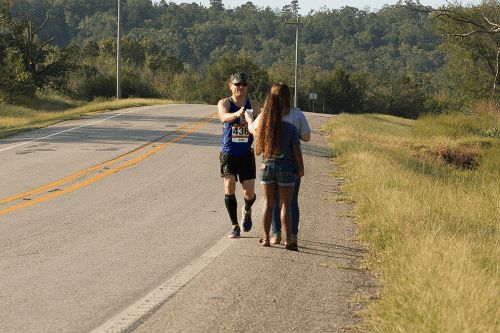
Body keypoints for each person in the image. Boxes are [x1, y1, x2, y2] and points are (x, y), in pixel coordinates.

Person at [246, 93, 304, 251]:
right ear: (281, 110)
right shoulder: (290, 128)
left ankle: (266, 238)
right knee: (285, 205)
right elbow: (297, 151)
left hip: (267, 168)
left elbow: (258, 151)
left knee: (268, 204)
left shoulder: (264, 129)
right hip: (285, 169)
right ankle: (288, 240)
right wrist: (301, 168)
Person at [217, 73, 261, 238]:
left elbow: (261, 125)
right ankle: (235, 226)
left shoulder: (254, 105)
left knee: (249, 193)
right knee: (229, 187)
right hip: (228, 152)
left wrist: (250, 122)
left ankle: (247, 209)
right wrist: (237, 115)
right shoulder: (225, 103)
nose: (241, 87)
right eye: (237, 84)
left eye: (243, 84)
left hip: (245, 153)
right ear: (230, 86)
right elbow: (223, 116)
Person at [268, 83, 311, 247]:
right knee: (291, 202)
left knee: (273, 201)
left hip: (271, 162)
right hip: (291, 164)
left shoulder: (268, 114)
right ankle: (292, 236)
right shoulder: (297, 114)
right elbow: (306, 137)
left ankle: (275, 234)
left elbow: (257, 132)